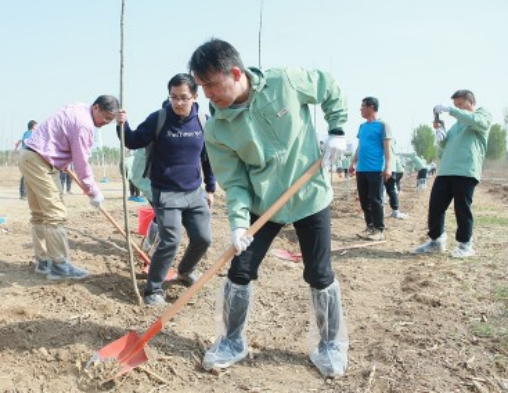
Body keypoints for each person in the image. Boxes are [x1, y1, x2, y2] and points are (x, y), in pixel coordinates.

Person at [188, 39, 349, 378]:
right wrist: (237, 224)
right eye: (201, 87)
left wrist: (337, 129)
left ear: (235, 73)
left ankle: (330, 345)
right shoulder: (217, 129)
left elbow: (328, 86)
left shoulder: (284, 82)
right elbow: (236, 183)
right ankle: (232, 341)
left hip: (309, 194)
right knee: (239, 269)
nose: (207, 95)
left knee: (319, 274)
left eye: (211, 85)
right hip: (262, 204)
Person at [115, 73, 216, 306]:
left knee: (203, 238)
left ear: (195, 96)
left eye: (184, 97)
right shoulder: (158, 119)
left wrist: (210, 188)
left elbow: (207, 158)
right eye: (173, 97)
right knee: (171, 239)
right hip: (166, 192)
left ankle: (185, 270)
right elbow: (132, 141)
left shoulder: (203, 120)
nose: (179, 103)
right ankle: (153, 289)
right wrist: (122, 125)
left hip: (194, 191)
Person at [18, 96, 119, 280]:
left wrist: (62, 159)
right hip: (40, 161)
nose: (105, 123)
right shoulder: (84, 126)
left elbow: (60, 135)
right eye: (104, 117)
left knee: (40, 214)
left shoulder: (78, 107)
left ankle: (43, 261)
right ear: (96, 107)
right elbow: (81, 162)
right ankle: (59, 267)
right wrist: (92, 190)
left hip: (29, 156)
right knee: (56, 214)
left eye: (110, 120)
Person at [412, 90, 491, 258]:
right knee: (436, 206)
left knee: (461, 208)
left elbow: (477, 121)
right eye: (455, 106)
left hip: (465, 171)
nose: (457, 109)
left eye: (460, 105)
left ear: (471, 102)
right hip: (446, 170)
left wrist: (450, 110)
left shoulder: (482, 115)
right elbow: (445, 147)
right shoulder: (457, 126)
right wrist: (441, 134)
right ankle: (436, 240)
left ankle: (465, 245)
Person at [350, 97, 393, 241]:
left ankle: (379, 229)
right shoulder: (362, 127)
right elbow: (360, 146)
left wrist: (388, 167)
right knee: (364, 199)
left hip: (375, 169)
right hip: (362, 169)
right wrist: (353, 162)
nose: (360, 109)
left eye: (363, 106)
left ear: (371, 107)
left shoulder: (382, 125)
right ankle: (369, 226)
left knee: (375, 199)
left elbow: (387, 148)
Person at [385, 139, 408, 219]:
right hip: (392, 168)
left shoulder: (386, 141)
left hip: (385, 168)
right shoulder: (392, 145)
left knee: (387, 190)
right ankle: (395, 210)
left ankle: (394, 210)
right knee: (391, 190)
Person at [14, 120, 37, 199]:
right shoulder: (28, 133)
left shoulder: (32, 133)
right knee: (26, 174)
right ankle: (23, 194)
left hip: (30, 155)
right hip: (26, 155)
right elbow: (25, 141)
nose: (37, 127)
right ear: (33, 126)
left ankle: (28, 193)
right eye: (36, 126)